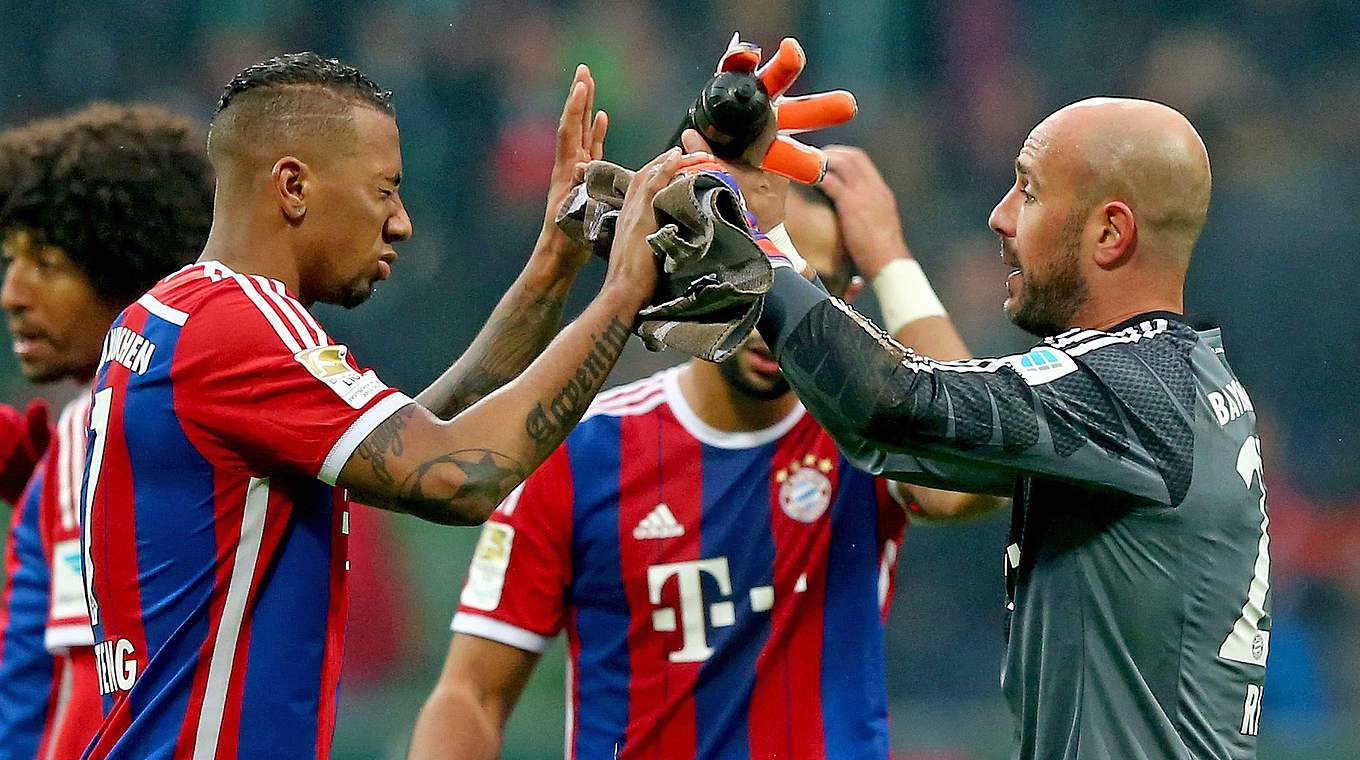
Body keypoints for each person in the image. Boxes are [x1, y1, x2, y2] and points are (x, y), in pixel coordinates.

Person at [78, 52, 690, 760]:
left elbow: (429, 431)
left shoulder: (170, 318)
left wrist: (555, 262)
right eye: (385, 191)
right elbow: (459, 475)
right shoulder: (237, 329)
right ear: (295, 186)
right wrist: (623, 292)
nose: (401, 223)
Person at [686, 97, 1270, 758]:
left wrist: (741, 227)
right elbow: (940, 453)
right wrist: (891, 261)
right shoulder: (1164, 381)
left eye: (1028, 190)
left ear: (1110, 233)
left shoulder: (1133, 391)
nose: (1000, 216)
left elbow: (891, 405)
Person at [406, 147, 999, 760]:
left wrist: (893, 260)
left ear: (846, 296)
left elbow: (967, 478)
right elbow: (470, 695)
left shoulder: (864, 432)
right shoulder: (578, 452)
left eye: (804, 284)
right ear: (692, 279)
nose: (773, 309)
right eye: (747, 270)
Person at [0, 103, 214, 760]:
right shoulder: (78, 442)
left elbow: (86, 694)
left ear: (132, 270)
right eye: (11, 259)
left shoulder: (104, 434)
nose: (13, 292)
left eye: (51, 263)